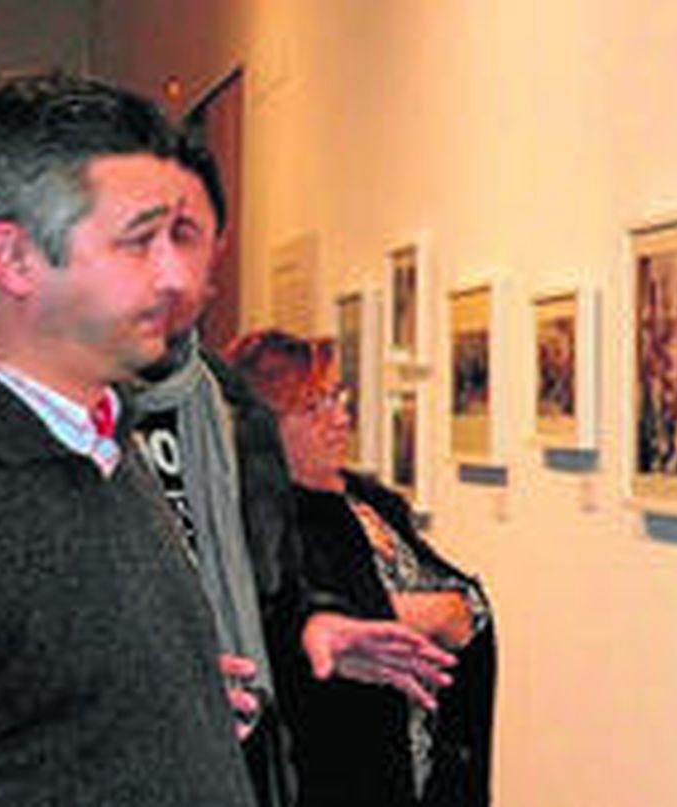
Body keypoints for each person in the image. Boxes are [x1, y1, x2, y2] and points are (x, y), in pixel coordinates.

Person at [0, 71, 255, 805]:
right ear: (15, 259)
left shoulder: (101, 435)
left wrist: (165, 706)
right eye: (139, 242)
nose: (177, 277)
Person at [125, 107, 459, 805]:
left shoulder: (229, 410)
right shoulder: (38, 426)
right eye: (143, 238)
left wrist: (309, 622)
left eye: (191, 241)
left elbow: (268, 589)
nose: (176, 273)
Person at [229, 330, 498, 807]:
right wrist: (432, 613)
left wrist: (444, 610)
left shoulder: (373, 501)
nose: (340, 416)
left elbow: (462, 604)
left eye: (337, 396)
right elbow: (294, 631)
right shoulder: (263, 523)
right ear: (264, 427)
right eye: (313, 406)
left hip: (436, 771)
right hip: (341, 778)